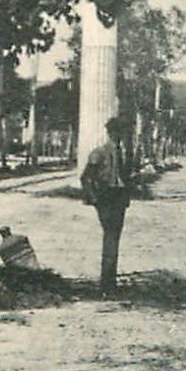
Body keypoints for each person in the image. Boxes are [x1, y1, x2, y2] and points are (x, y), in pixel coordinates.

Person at [81, 115, 135, 294]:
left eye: (123, 132)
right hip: (106, 196)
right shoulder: (99, 153)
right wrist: (94, 198)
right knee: (111, 236)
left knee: (113, 237)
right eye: (118, 132)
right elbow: (86, 178)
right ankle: (107, 283)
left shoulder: (126, 153)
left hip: (119, 197)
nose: (121, 136)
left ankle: (109, 281)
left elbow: (127, 176)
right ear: (111, 132)